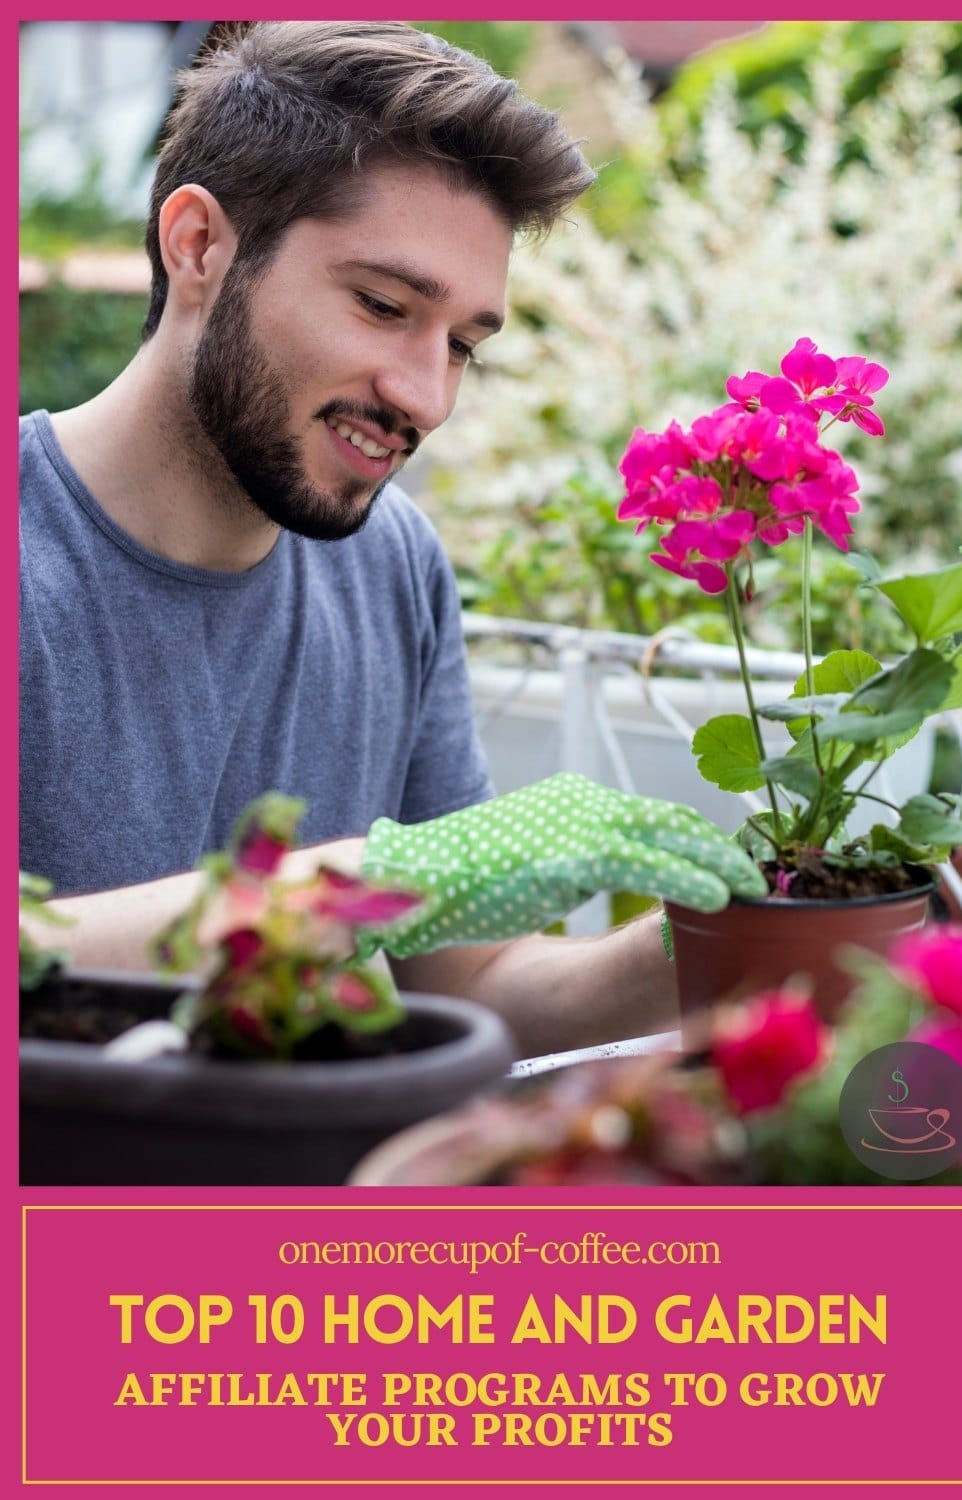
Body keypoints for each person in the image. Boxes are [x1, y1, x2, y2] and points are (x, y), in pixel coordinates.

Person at [19, 20, 765, 1058]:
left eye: (461, 344)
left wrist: (735, 939)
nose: (425, 394)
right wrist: (371, 885)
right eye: (381, 305)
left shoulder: (390, 563)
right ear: (197, 245)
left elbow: (469, 985)